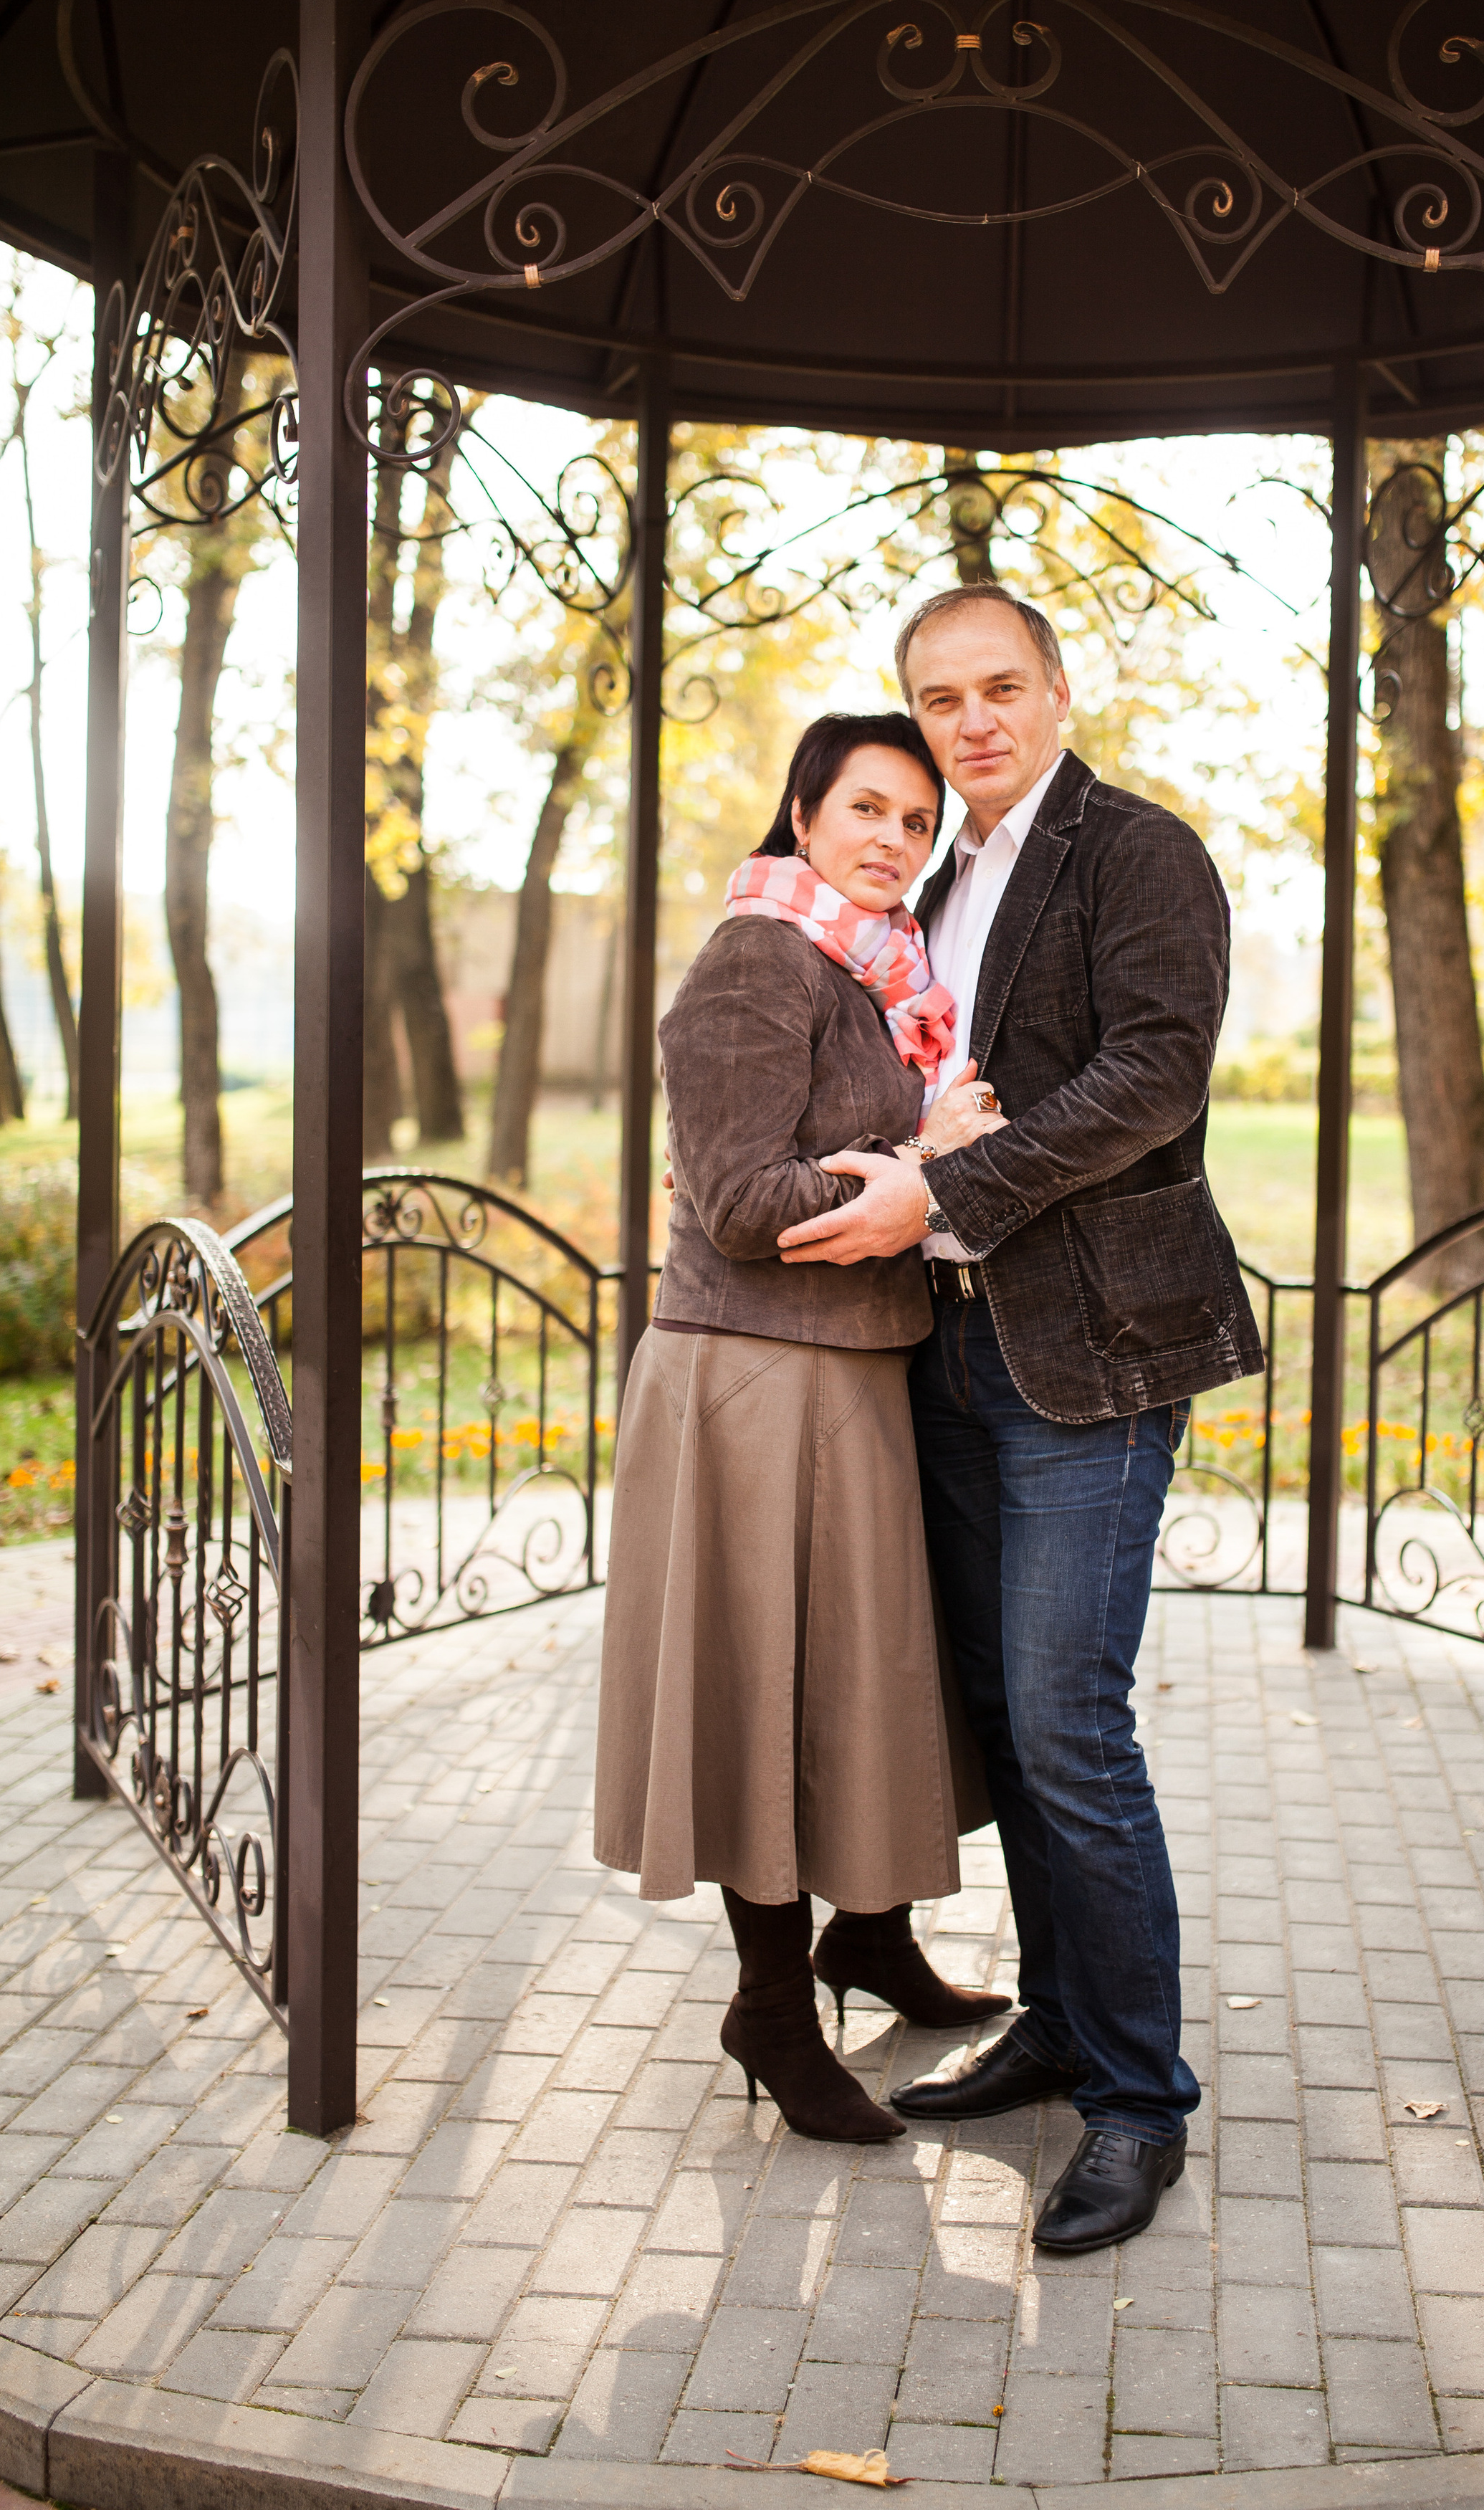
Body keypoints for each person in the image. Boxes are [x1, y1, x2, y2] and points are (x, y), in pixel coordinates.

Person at [777, 588, 1263, 2249]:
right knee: (1002, 1714)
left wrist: (944, 1192)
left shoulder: (1138, 854)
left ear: (1055, 691)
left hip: (1097, 1352)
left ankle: (1136, 2102)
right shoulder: (927, 884)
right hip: (951, 1354)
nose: (971, 719)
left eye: (999, 689)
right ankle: (1053, 2024)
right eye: (939, 699)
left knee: (1070, 1726)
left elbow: (1152, 1081)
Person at [593, 710, 1008, 2144]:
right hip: (745, 1384)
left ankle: (869, 1940)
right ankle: (770, 2005)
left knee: (864, 1677)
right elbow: (744, 1205)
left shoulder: (878, 974)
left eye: (915, 821)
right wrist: (927, 1162)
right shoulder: (754, 961)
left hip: (856, 1371)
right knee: (762, 1693)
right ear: (803, 813)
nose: (893, 840)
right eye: (866, 811)